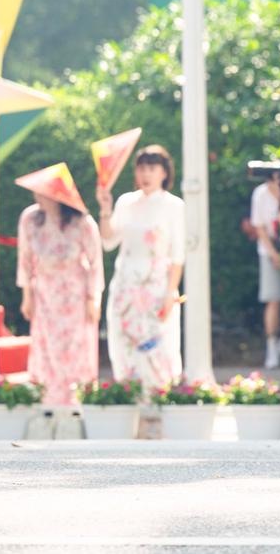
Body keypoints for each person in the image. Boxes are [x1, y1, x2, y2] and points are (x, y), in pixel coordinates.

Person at [96, 145, 185, 388]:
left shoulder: (174, 205)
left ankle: (159, 401)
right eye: (141, 168)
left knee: (158, 347)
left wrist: (170, 292)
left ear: (164, 173)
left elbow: (178, 254)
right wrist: (105, 209)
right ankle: (129, 397)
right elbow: (108, 241)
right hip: (125, 284)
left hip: (156, 286)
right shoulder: (126, 202)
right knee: (123, 344)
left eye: (152, 168)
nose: (146, 173)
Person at [14, 165, 103, 406]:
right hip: (45, 293)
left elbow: (95, 263)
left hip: (75, 293)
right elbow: (25, 259)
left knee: (76, 347)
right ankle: (48, 402)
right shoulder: (30, 220)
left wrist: (93, 298)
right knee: (47, 348)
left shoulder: (82, 223)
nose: (38, 197)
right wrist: (27, 295)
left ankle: (77, 402)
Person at [251, 165, 280, 369]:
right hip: (268, 251)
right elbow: (259, 228)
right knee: (274, 298)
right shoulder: (260, 194)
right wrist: (274, 254)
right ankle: (271, 346)